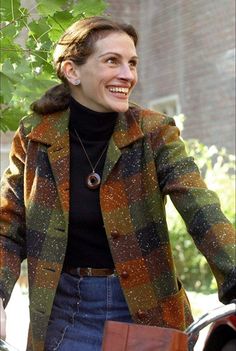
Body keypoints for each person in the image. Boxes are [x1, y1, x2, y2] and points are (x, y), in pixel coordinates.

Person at [0, 15, 235, 351]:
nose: (128, 75)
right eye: (112, 61)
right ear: (72, 71)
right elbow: (8, 225)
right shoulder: (35, 135)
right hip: (65, 313)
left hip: (147, 313)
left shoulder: (154, 132)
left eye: (133, 63)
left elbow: (200, 207)